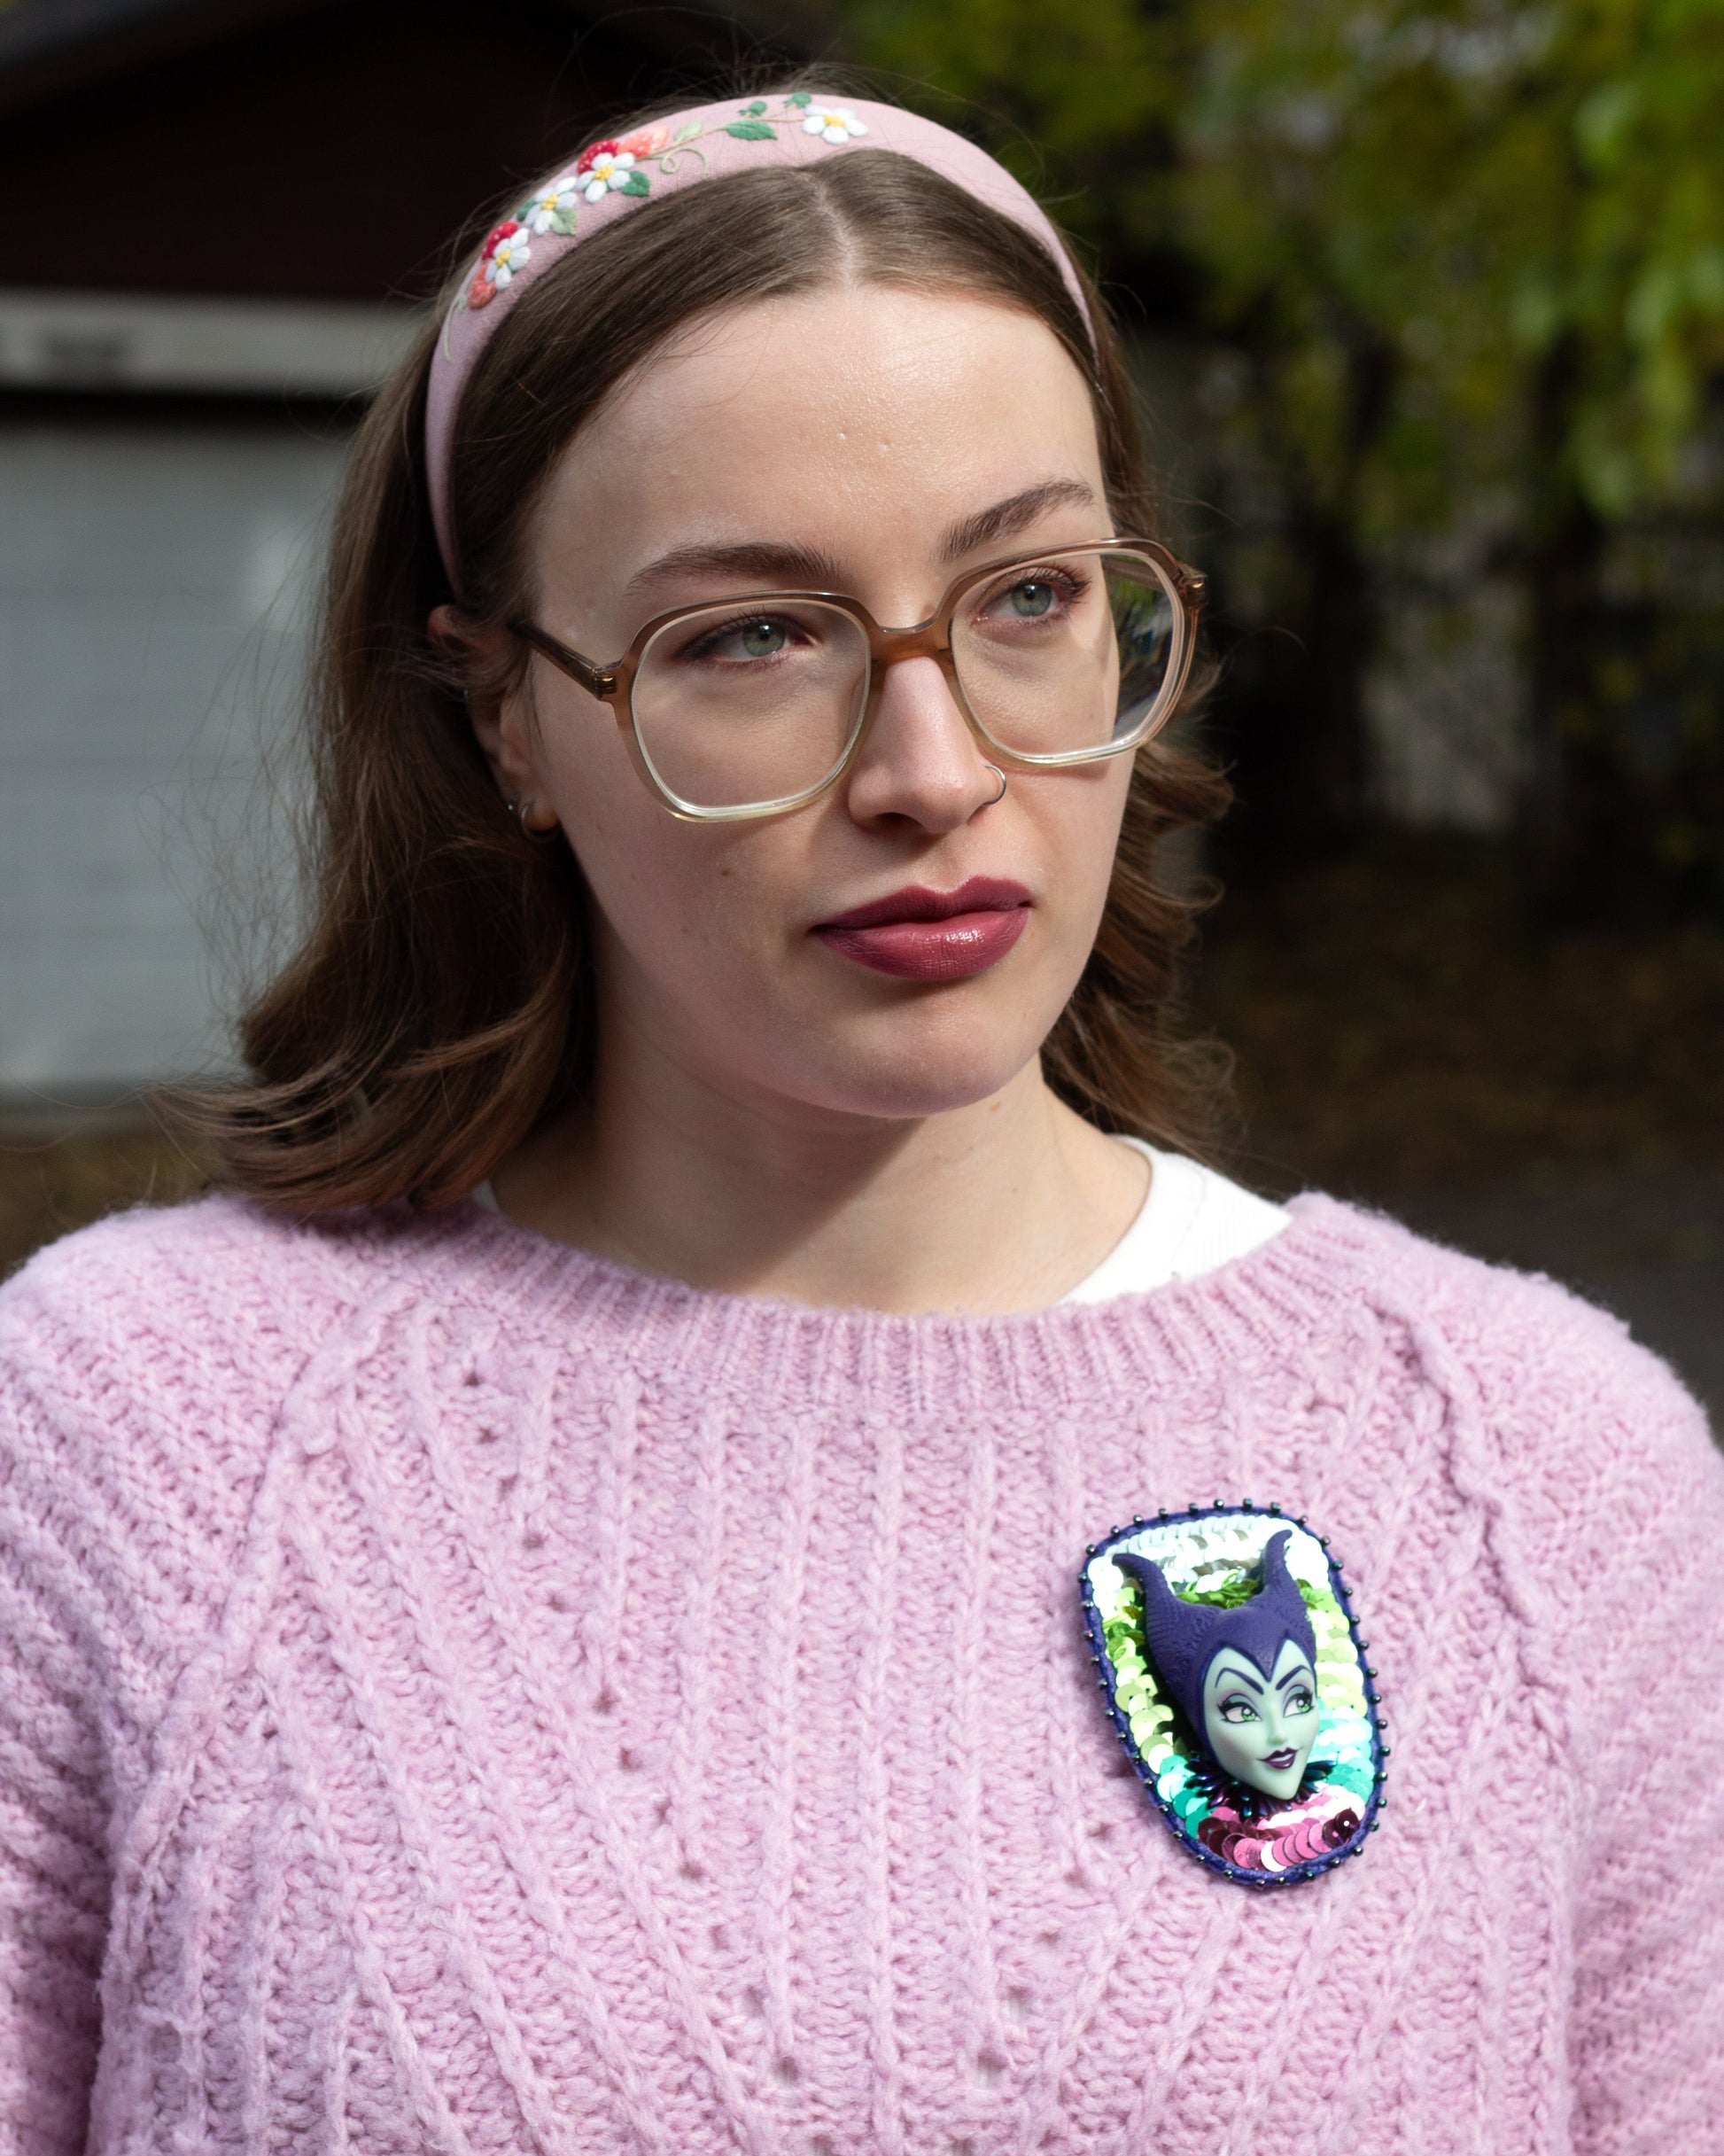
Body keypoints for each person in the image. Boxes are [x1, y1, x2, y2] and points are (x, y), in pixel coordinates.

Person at [0, 80, 1719, 2156]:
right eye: (753, 635)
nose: (932, 767)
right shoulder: (131, 1443)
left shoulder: (1536, 1468)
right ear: (501, 716)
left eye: (1025, 600)